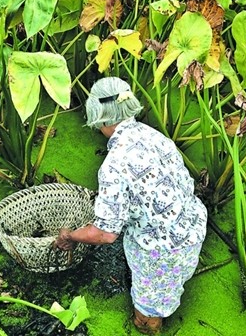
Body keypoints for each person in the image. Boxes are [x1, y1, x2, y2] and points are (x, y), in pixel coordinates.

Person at [54, 77, 207, 335]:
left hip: (162, 252)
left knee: (148, 309)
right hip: (192, 229)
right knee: (171, 285)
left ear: (99, 118)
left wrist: (69, 235)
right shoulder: (153, 135)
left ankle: (147, 326)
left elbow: (105, 234)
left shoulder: (114, 165)